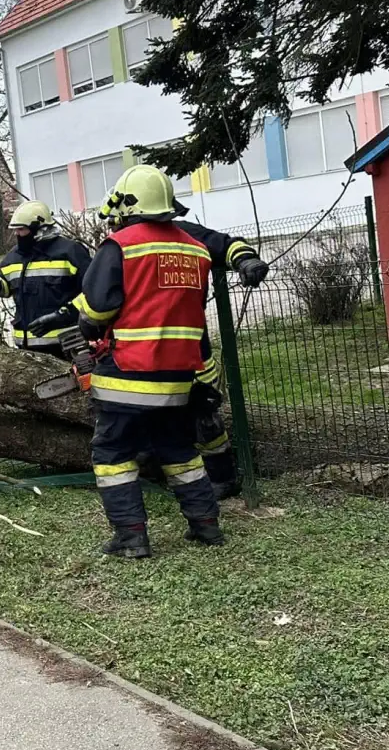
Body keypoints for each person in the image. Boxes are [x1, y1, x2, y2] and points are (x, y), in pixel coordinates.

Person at [73, 165, 222, 559]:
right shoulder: (195, 249)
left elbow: (95, 311)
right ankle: (206, 524)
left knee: (113, 455)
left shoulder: (120, 245)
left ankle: (131, 537)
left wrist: (88, 327)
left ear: (127, 206)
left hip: (128, 376)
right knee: (178, 448)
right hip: (179, 376)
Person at [173, 219, 269, 497]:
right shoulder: (122, 243)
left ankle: (221, 478)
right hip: (144, 351)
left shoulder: (186, 233)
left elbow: (227, 245)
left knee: (204, 418)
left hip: (191, 345)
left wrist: (246, 260)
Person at [0, 200, 92, 356]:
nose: (16, 234)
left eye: (21, 230)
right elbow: (7, 288)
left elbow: (94, 292)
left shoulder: (71, 253)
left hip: (67, 346)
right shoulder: (12, 258)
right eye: (15, 230)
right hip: (27, 351)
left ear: (41, 230)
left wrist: (64, 315)